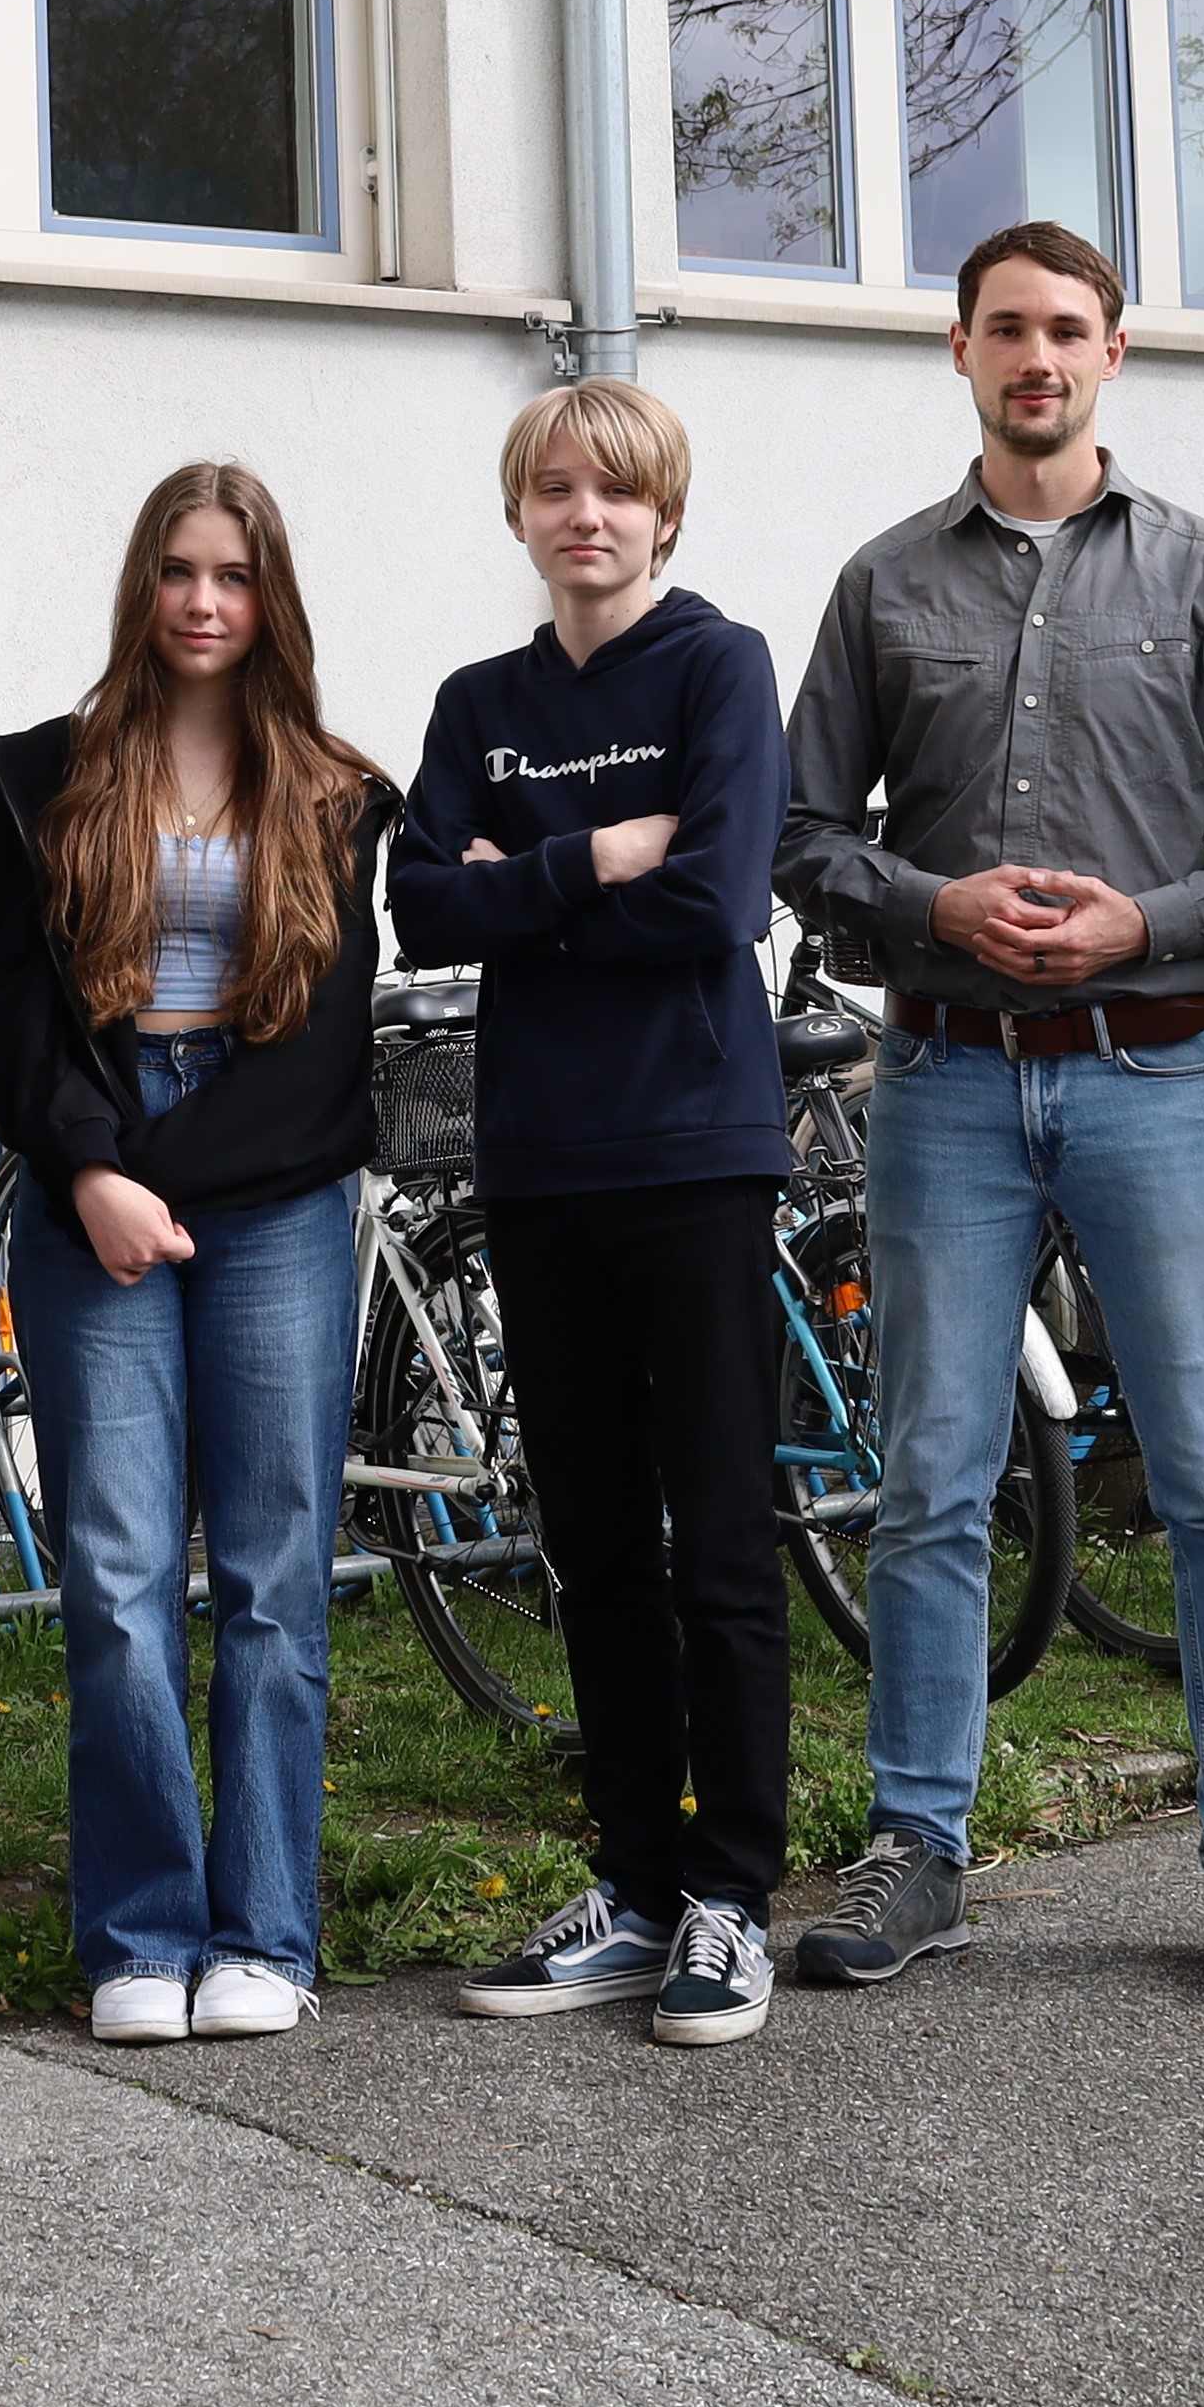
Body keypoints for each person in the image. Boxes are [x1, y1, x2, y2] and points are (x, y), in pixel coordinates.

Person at [772, 226, 1204, 2008]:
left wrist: (1149, 919)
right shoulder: (884, 587)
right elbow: (800, 839)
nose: (1038, 359)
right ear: (959, 351)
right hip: (945, 1078)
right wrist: (929, 905)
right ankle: (920, 1852)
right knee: (932, 1485)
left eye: (1069, 332)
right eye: (1006, 331)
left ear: (1118, 353)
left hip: (1157, 1073)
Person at [0, 463, 391, 2047]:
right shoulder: (36, 779)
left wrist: (164, 1181)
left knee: (277, 1575)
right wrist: (91, 1167)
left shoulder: (339, 795)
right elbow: (5, 1004)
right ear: (141, 587)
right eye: (178, 572)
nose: (205, 603)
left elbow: (328, 1034)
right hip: (96, 1175)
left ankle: (268, 1933)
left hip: (271, 1190)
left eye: (234, 575)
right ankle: (142, 1932)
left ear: (270, 596)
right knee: (122, 1576)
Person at [402, 378, 795, 2050]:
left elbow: (720, 894)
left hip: (696, 1151)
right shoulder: (478, 701)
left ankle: (733, 1898)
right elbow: (421, 903)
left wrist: (527, 884)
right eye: (555, 490)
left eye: (616, 493)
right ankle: (635, 1888)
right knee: (592, 1546)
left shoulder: (719, 666)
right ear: (519, 516)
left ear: (663, 516)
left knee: (716, 1539)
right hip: (543, 1164)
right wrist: (589, 861)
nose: (587, 516)